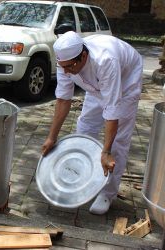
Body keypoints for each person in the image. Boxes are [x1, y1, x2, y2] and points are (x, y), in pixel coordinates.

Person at [41, 31, 143, 215]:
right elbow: (63, 99)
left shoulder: (106, 61)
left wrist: (105, 151)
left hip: (126, 81)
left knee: (118, 141)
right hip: (96, 85)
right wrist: (52, 137)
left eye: (69, 67)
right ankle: (83, 177)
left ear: (84, 56)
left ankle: (107, 193)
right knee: (85, 126)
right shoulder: (66, 61)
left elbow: (112, 111)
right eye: (61, 67)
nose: (65, 71)